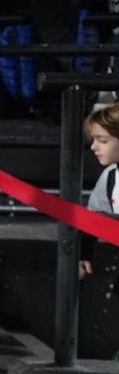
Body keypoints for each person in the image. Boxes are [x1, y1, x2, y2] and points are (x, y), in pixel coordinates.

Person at [81, 103, 119, 283]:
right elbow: (92, 218)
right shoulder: (110, 175)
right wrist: (83, 254)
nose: (94, 147)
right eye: (94, 139)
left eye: (103, 141)